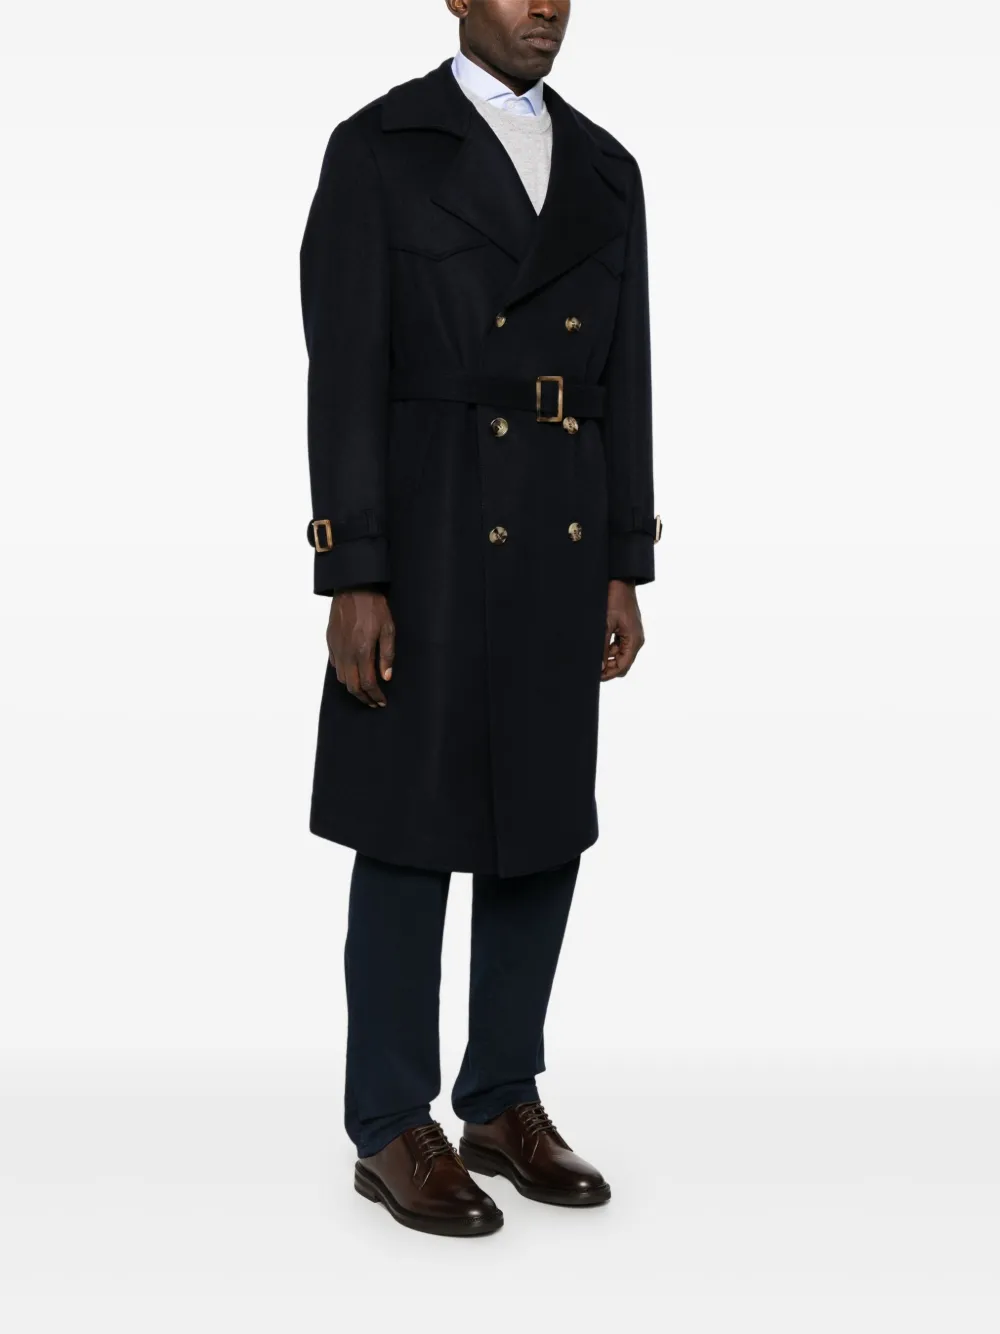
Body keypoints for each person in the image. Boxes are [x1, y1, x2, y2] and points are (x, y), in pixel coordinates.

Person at [300, 0, 659, 1237]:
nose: (543, 5)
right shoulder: (379, 146)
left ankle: (502, 1097)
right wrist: (354, 569)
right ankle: (389, 1119)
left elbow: (627, 375)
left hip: (559, 531)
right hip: (431, 529)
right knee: (407, 828)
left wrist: (623, 558)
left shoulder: (607, 166)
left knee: (541, 825)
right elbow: (343, 369)